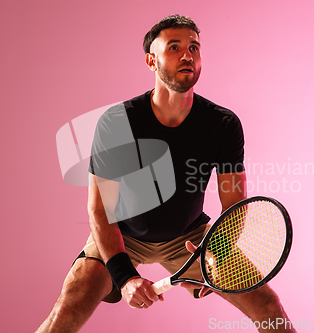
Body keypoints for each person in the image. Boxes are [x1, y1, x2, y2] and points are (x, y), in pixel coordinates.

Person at [36, 14, 296, 333]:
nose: (187, 55)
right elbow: (99, 210)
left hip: (190, 240)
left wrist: (216, 253)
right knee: (67, 310)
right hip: (124, 236)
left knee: (270, 309)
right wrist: (125, 276)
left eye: (194, 48)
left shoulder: (223, 125)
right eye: (174, 47)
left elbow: (233, 207)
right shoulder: (117, 123)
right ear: (151, 60)